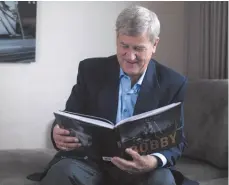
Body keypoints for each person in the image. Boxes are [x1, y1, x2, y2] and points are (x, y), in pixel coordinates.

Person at [28, 5, 198, 185]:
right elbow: (70, 116)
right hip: (91, 164)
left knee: (162, 181)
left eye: (138, 48)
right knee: (62, 172)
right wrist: (57, 132)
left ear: (154, 44)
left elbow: (177, 141)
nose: (130, 56)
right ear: (117, 39)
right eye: (124, 46)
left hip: (142, 169)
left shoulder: (173, 83)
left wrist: (154, 161)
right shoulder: (90, 70)